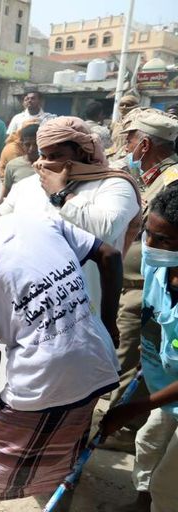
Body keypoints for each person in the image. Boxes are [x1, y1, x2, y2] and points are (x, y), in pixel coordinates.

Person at [0, 177, 122, 512]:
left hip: (40, 379)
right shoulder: (36, 219)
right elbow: (110, 255)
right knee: (66, 453)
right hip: (97, 364)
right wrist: (108, 322)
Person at [0, 116, 140, 311]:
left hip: (85, 306)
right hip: (28, 304)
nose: (46, 164)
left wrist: (61, 194)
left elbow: (106, 230)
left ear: (81, 152)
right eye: (44, 155)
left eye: (56, 156)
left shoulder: (115, 185)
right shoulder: (27, 185)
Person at [103, 111, 178, 454]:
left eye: (130, 140)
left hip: (149, 287)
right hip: (135, 284)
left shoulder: (172, 182)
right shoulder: (150, 177)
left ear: (145, 144)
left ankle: (119, 426)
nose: (126, 147)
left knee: (128, 358)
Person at [100, 184, 178, 512]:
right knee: (147, 444)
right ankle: (141, 503)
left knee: (168, 484)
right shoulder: (157, 266)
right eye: (148, 233)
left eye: (163, 240)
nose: (149, 245)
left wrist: (132, 407)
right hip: (167, 390)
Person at [1, 122, 40, 199]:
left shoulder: (51, 166)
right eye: (27, 144)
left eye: (36, 144)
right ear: (22, 144)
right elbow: (5, 195)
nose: (32, 149)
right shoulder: (13, 165)